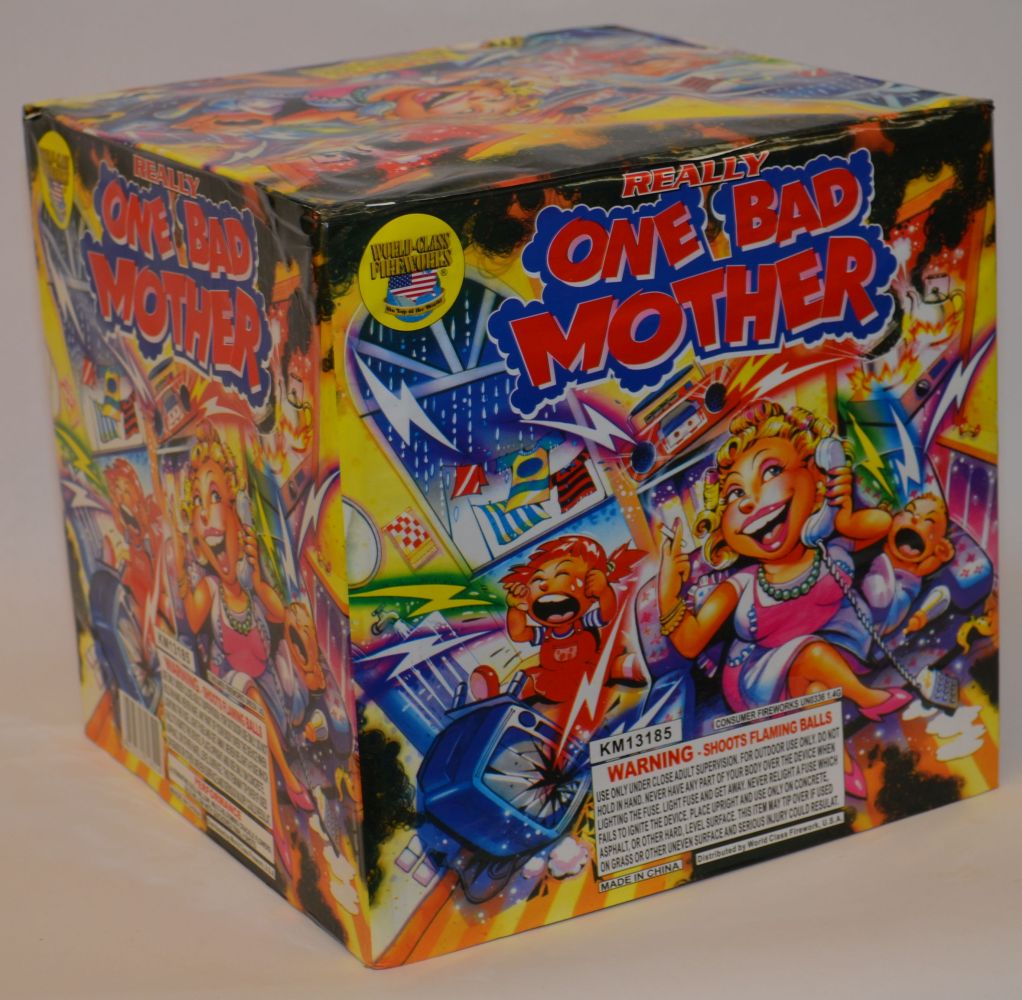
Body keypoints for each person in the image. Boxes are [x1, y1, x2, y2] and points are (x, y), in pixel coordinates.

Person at [658, 400, 911, 721]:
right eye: (735, 494)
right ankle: (870, 699)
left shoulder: (828, 549)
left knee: (817, 690)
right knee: (813, 654)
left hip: (840, 648)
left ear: (816, 475)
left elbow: (882, 525)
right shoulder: (742, 585)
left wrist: (843, 518)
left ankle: (833, 744)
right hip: (763, 677)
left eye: (772, 471)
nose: (749, 501)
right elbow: (690, 642)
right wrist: (667, 590)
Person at [174, 423, 312, 877]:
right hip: (233, 693)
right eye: (198, 504)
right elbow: (189, 617)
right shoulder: (208, 591)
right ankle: (282, 803)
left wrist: (260, 578)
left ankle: (290, 771)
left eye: (215, 497)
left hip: (269, 687)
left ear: (238, 514)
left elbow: (280, 613)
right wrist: (179, 553)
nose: (207, 515)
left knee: (267, 689)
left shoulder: (251, 584)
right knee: (249, 697)